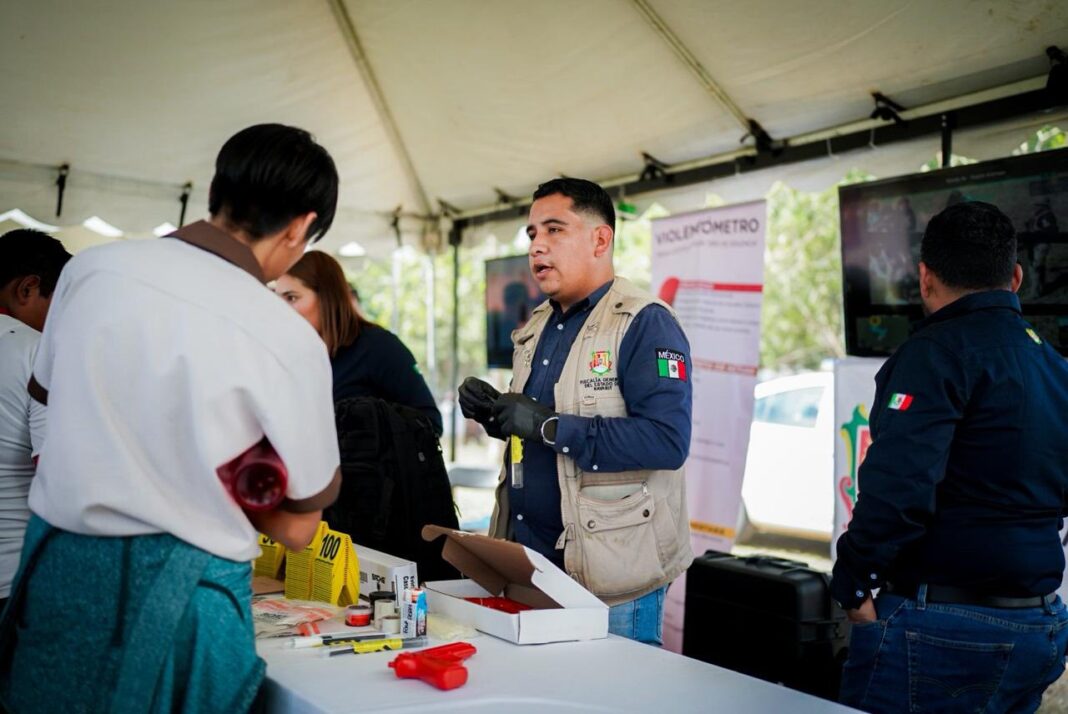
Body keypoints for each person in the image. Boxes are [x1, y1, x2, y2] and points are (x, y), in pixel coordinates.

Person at [0, 123, 343, 713]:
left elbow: (51, 399)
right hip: (181, 602)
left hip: (61, 577)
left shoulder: (91, 273)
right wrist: (223, 461)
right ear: (301, 227)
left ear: (218, 192)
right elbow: (298, 527)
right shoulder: (284, 337)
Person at [831, 201, 1068, 713]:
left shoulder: (933, 354)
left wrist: (852, 583)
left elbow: (899, 487)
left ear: (923, 278)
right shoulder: (1055, 364)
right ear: (1017, 277)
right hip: (1040, 623)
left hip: (941, 629)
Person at [458, 178, 693, 645]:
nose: (536, 246)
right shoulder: (537, 326)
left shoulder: (645, 323)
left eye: (554, 230)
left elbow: (668, 441)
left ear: (600, 239)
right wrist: (497, 416)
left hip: (612, 583)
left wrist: (545, 424)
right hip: (531, 565)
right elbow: (541, 433)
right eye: (531, 235)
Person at [275, 250, 442, 435]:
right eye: (276, 299)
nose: (280, 310)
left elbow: (430, 422)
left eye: (291, 298)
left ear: (327, 297)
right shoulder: (294, 357)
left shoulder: (379, 347)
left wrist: (363, 431)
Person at [0, 230, 71, 613]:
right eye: (58, 303)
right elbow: (58, 476)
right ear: (28, 288)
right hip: (13, 580)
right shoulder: (36, 353)